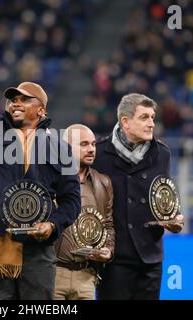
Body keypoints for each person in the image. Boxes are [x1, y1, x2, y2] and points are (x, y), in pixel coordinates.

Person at [0, 2, 81, 300]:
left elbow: (71, 200)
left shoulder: (58, 147)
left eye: (23, 99)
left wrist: (52, 225)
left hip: (39, 248)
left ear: (41, 110)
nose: (14, 103)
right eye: (11, 99)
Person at [93, 93, 185, 300]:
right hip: (114, 258)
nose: (152, 123)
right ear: (125, 121)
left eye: (152, 117)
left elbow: (165, 193)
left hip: (150, 257)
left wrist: (175, 217)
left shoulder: (162, 153)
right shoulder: (98, 154)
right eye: (144, 117)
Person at [53, 124, 115, 300]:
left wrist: (108, 251)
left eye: (93, 144)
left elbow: (108, 225)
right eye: (84, 144)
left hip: (87, 276)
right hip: (54, 273)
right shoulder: (50, 178)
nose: (91, 149)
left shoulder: (103, 183)